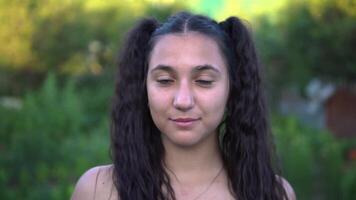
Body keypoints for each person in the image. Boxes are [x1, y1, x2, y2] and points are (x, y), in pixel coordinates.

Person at [71, 11, 296, 200]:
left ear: (232, 86)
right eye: (165, 81)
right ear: (143, 87)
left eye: (204, 81)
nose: (183, 101)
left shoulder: (270, 193)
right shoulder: (97, 190)